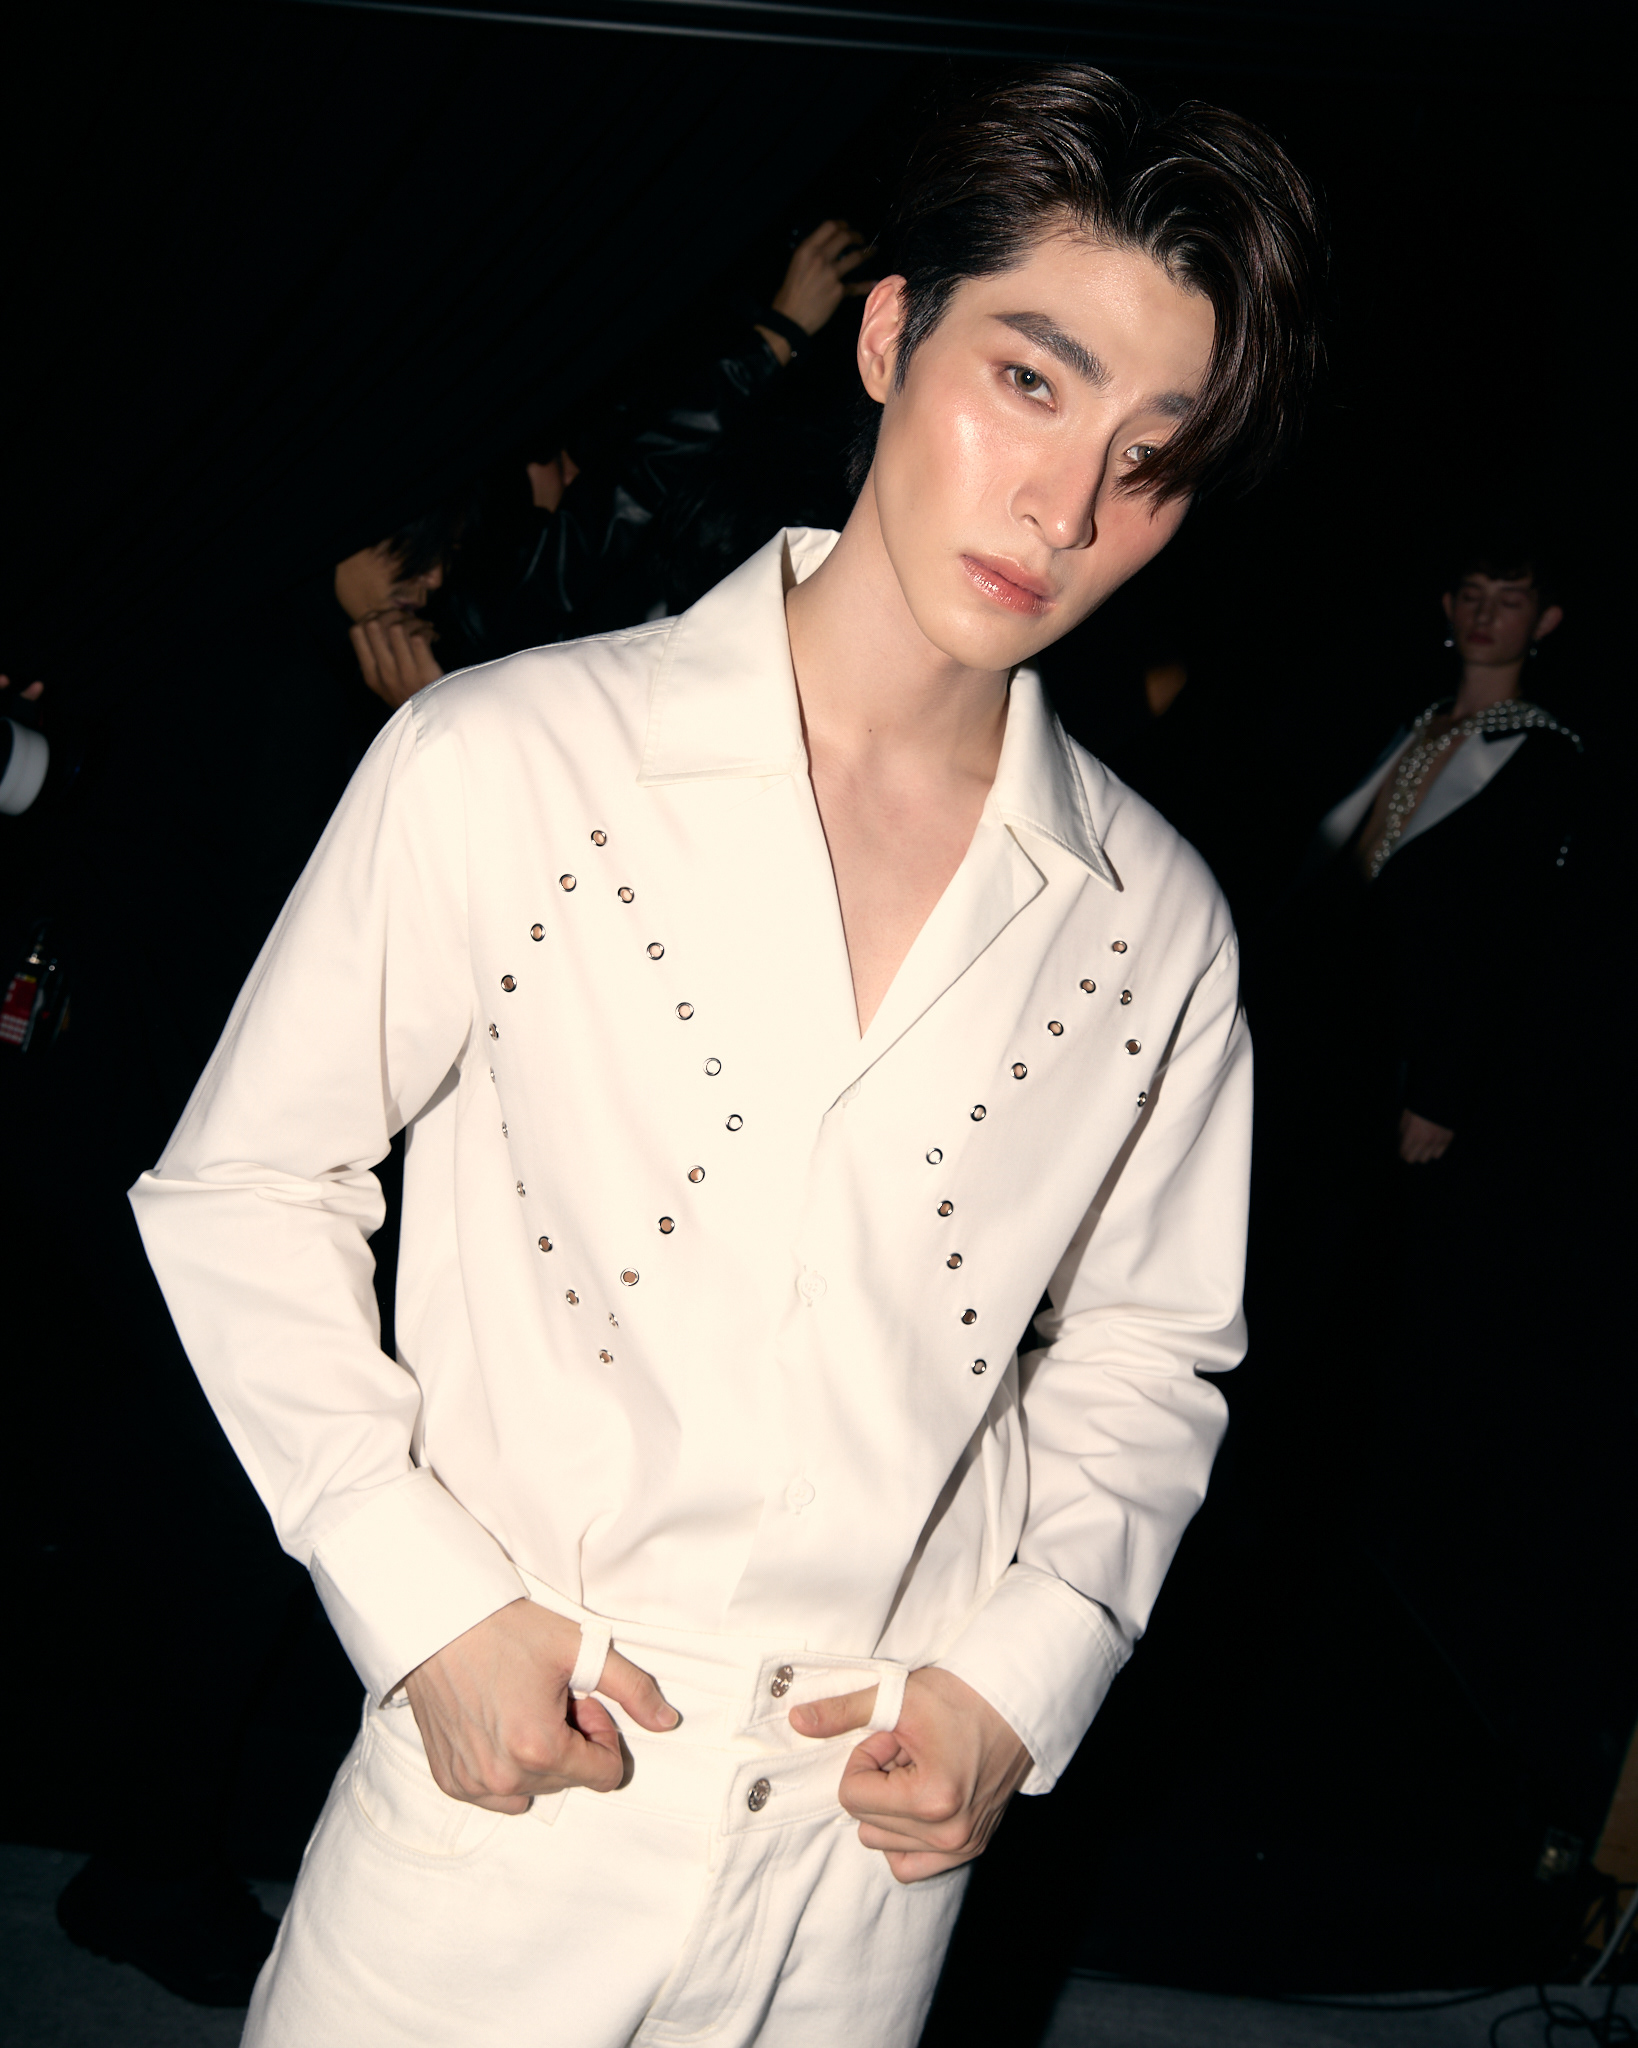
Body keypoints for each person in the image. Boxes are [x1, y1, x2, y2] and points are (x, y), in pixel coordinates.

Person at [130, 65, 1323, 2046]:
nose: (1065, 507)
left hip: (860, 1861)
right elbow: (243, 1184)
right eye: (1028, 381)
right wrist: (421, 1599)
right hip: (505, 1800)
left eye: (1152, 457)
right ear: (888, 332)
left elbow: (1150, 1344)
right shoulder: (507, 760)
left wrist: (1023, 1671)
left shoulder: (1155, 918)